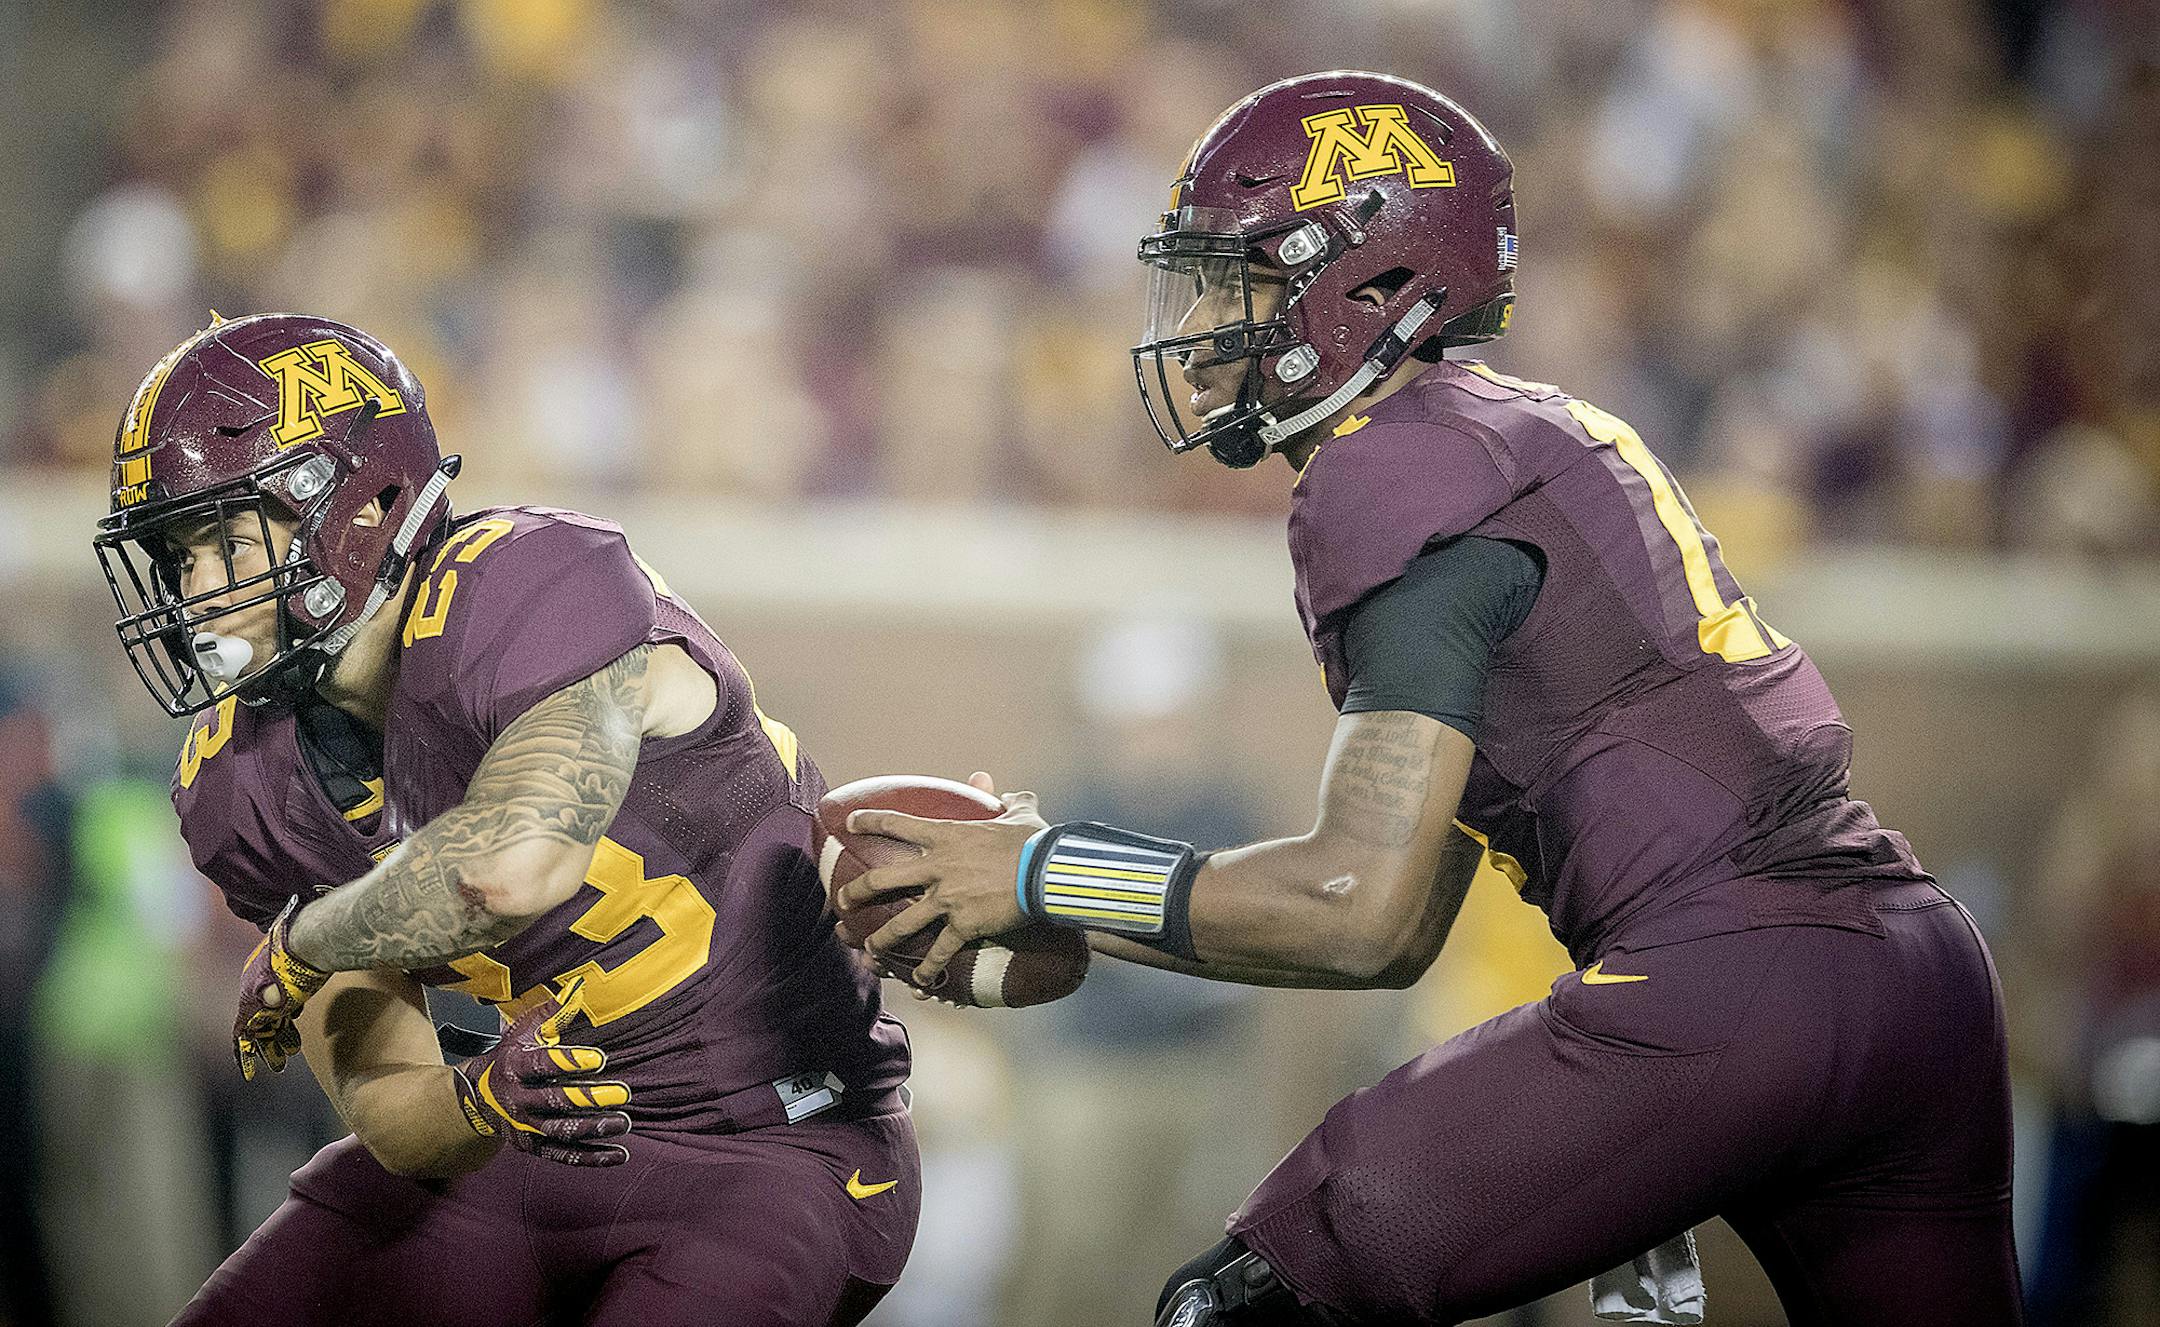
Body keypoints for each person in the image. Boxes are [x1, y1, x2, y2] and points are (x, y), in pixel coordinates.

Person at [835, 71, 2021, 1327]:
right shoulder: (1511, 435)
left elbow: (1359, 906)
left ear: (1362, 286)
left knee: (1240, 1306)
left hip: (1729, 983)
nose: (1196, 325)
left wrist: (1041, 871)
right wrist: (1070, 894)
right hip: (1915, 976)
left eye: (1233, 282)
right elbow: (1388, 924)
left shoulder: (1389, 470)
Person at [92, 313, 917, 1326]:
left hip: (773, 1146)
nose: (194, 593)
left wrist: (307, 938)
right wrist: (477, 1099)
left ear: (357, 504)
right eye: (175, 557)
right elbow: (386, 1103)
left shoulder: (522, 583)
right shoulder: (246, 774)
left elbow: (511, 865)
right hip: (534, 1156)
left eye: (221, 539)